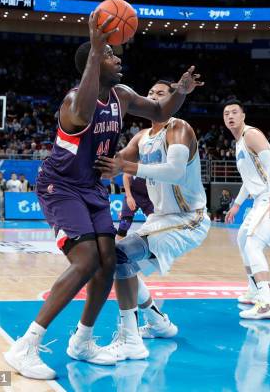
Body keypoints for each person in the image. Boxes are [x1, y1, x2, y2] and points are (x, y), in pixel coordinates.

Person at [4, 12, 202, 379]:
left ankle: (82, 340)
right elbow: (81, 112)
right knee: (84, 262)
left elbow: (159, 110)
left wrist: (181, 92)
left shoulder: (122, 95)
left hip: (92, 189)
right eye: (111, 55)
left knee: (108, 261)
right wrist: (96, 50)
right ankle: (26, 345)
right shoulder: (75, 101)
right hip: (61, 187)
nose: (119, 58)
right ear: (95, 61)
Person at [94, 80, 208, 360]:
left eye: (160, 94)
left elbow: (176, 171)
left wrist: (127, 166)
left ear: (172, 101)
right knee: (118, 260)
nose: (153, 97)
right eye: (150, 93)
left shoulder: (179, 129)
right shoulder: (142, 137)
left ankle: (130, 339)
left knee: (120, 255)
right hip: (160, 219)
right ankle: (157, 322)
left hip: (188, 218)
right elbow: (112, 167)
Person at [223, 100, 270, 319]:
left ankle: (266, 302)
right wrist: (236, 205)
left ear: (243, 115)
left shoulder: (251, 135)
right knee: (244, 238)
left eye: (234, 112)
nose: (230, 116)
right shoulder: (238, 144)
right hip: (262, 198)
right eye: (226, 114)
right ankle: (254, 290)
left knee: (253, 244)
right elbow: (249, 180)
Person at [116, 174, 154, 241]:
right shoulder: (140, 163)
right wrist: (129, 196)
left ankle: (151, 249)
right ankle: (117, 248)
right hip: (134, 194)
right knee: (125, 223)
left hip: (150, 197)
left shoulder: (160, 164)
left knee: (155, 224)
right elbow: (126, 176)